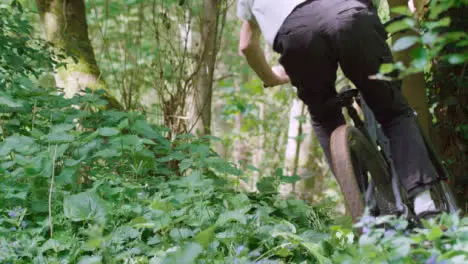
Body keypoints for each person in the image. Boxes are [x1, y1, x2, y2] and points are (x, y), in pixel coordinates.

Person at [237, 0, 438, 217]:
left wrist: (272, 77)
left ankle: (362, 207)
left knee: (324, 117)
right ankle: (423, 200)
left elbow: (247, 45)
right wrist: (416, 8)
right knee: (393, 112)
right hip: (350, 15)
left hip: (297, 35)